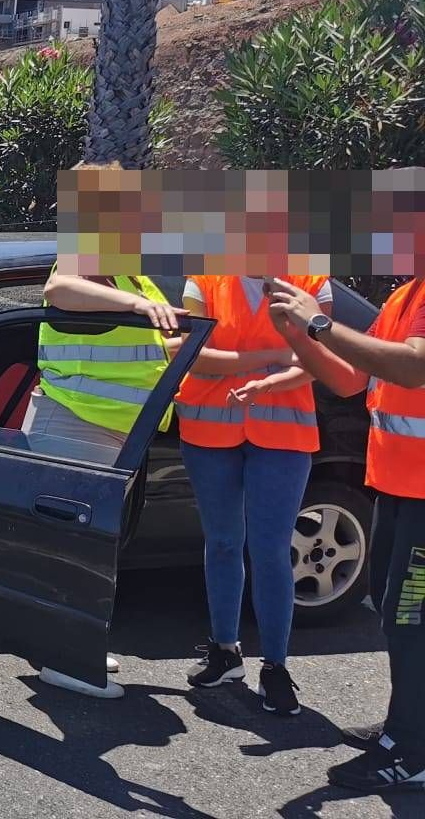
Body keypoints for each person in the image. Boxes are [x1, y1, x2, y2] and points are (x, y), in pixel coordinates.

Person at [267, 276, 425, 792]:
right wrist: (297, 336)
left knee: (411, 619)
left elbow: (413, 366)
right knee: (392, 609)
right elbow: (352, 380)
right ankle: (406, 723)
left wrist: (319, 322)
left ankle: (411, 748)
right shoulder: (407, 294)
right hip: (399, 486)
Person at [25, 267, 186, 698]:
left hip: (114, 429)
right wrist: (137, 305)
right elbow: (58, 290)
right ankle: (66, 660)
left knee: (94, 545)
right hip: (77, 421)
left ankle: (74, 646)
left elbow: (140, 351)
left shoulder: (134, 278)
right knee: (76, 547)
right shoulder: (90, 269)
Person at [176, 274, 330, 716]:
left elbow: (318, 358)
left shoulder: (312, 279)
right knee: (222, 542)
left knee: (270, 550)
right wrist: (274, 357)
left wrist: (266, 383)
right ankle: (225, 652)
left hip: (283, 434)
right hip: (209, 430)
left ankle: (275, 667)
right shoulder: (204, 278)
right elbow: (190, 353)